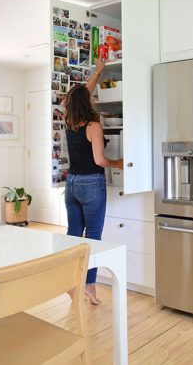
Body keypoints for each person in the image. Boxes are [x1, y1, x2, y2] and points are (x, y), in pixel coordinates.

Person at [62, 55, 123, 305]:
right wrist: (120, 163)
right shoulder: (94, 126)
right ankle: (89, 286)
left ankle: (69, 282)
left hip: (72, 183)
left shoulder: (69, 119)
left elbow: (78, 95)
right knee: (93, 237)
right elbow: (99, 160)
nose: (91, 96)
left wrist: (98, 71)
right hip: (91, 184)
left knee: (74, 235)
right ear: (87, 102)